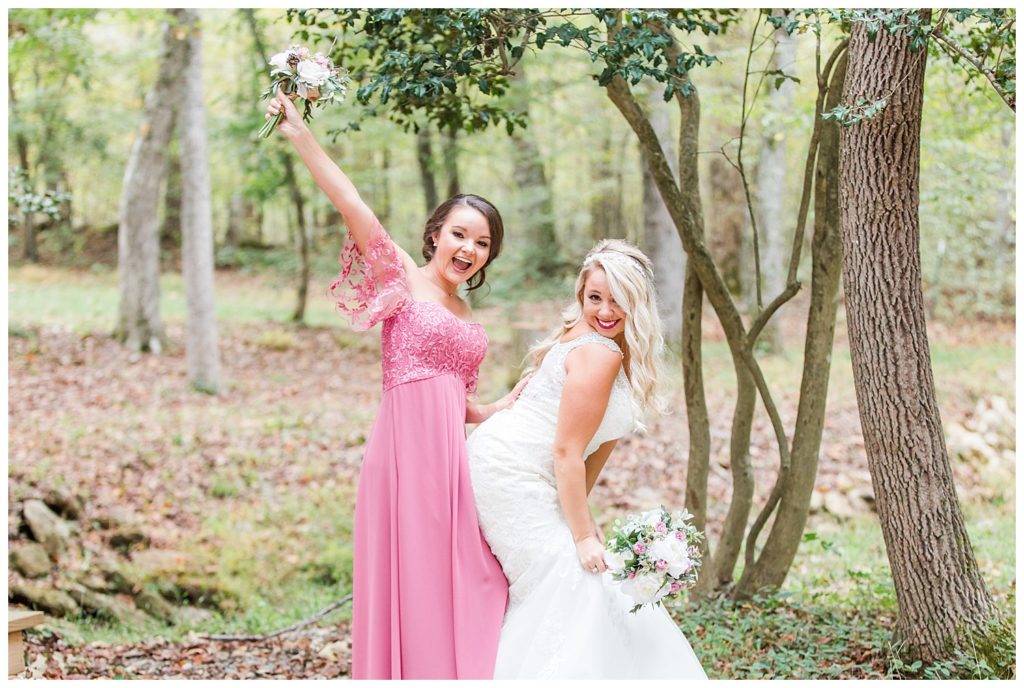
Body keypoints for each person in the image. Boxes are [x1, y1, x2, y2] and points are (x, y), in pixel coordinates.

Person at [265, 92, 523, 679]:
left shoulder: (465, 314)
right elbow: (350, 200)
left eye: (482, 244)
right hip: (404, 461)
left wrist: (498, 407)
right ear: (436, 234)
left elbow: (455, 401)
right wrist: (299, 131)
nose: (469, 250)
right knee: (413, 580)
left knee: (475, 579)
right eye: (460, 234)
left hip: (452, 467)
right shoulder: (402, 277)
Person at [467, 239, 708, 679]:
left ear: (638, 302)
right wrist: (580, 536)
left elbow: (595, 447)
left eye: (618, 300)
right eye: (595, 297)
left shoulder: (608, 349)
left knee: (587, 578)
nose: (605, 310)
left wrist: (580, 518)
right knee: (575, 577)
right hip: (508, 470)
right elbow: (566, 452)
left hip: (531, 469)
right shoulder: (599, 351)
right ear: (582, 295)